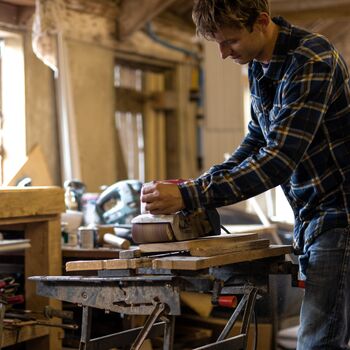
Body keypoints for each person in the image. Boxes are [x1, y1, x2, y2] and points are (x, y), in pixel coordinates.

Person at [141, 0, 350, 348]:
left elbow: (278, 158)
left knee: (319, 342)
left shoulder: (312, 60)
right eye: (218, 43)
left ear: (262, 21)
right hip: (311, 217)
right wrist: (196, 186)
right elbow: (257, 138)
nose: (223, 54)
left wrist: (193, 195)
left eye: (231, 42)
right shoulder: (260, 64)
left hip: (339, 216)